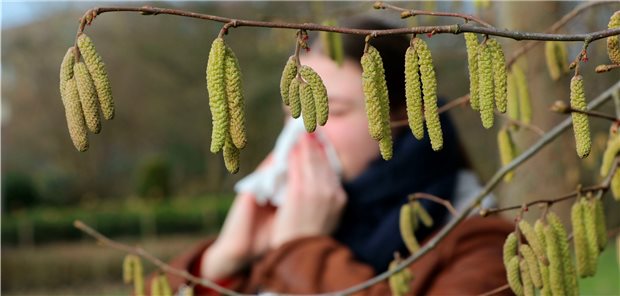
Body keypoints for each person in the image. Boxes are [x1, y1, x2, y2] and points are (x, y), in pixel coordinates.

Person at [161, 18, 514, 295]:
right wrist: (216, 266)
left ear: (403, 117)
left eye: (336, 111)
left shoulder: (481, 245)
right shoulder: (271, 231)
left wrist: (300, 252)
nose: (303, 132)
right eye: (294, 112)